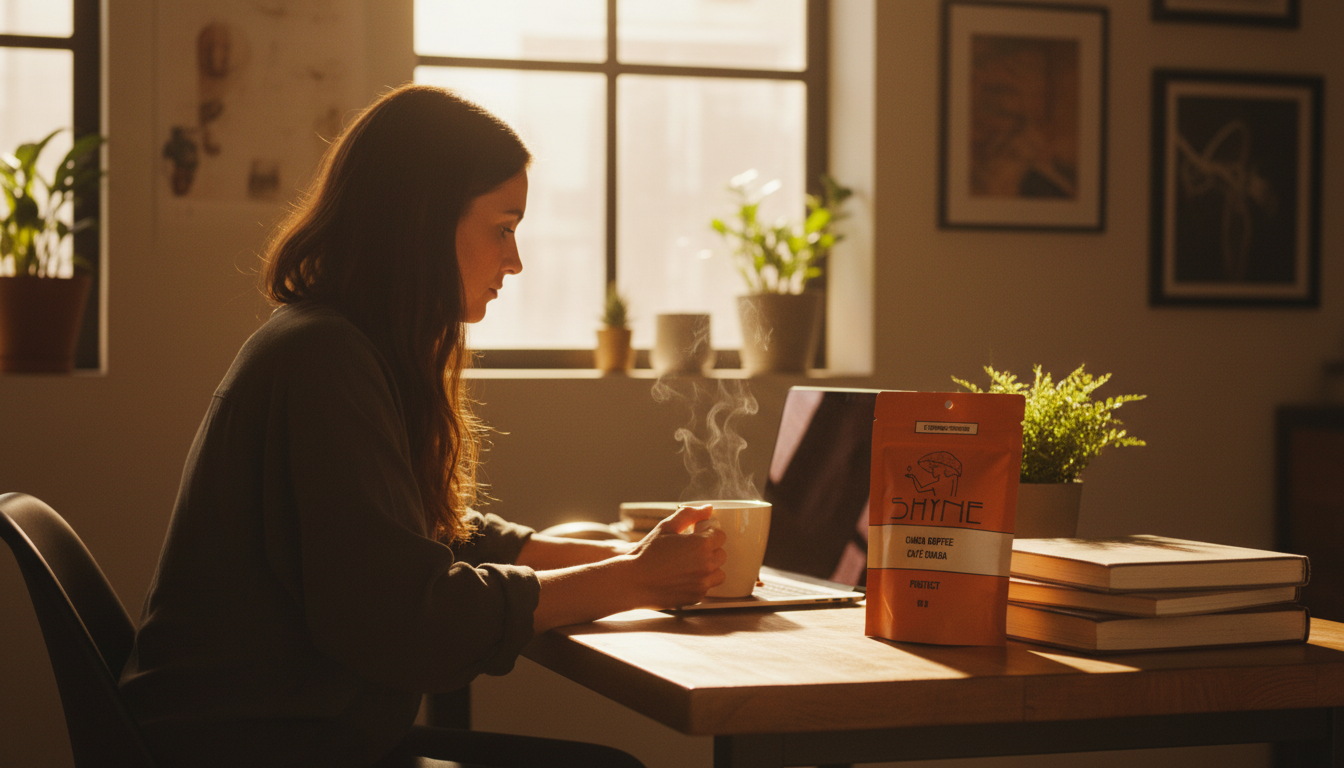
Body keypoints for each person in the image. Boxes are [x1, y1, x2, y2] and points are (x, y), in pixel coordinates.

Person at [119, 84, 727, 768]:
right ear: (422, 220)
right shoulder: (326, 360)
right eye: (503, 226)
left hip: (275, 736)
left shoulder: (336, 342)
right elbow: (409, 619)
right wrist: (635, 582)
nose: (515, 259)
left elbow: (417, 541)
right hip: (256, 750)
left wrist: (633, 559)